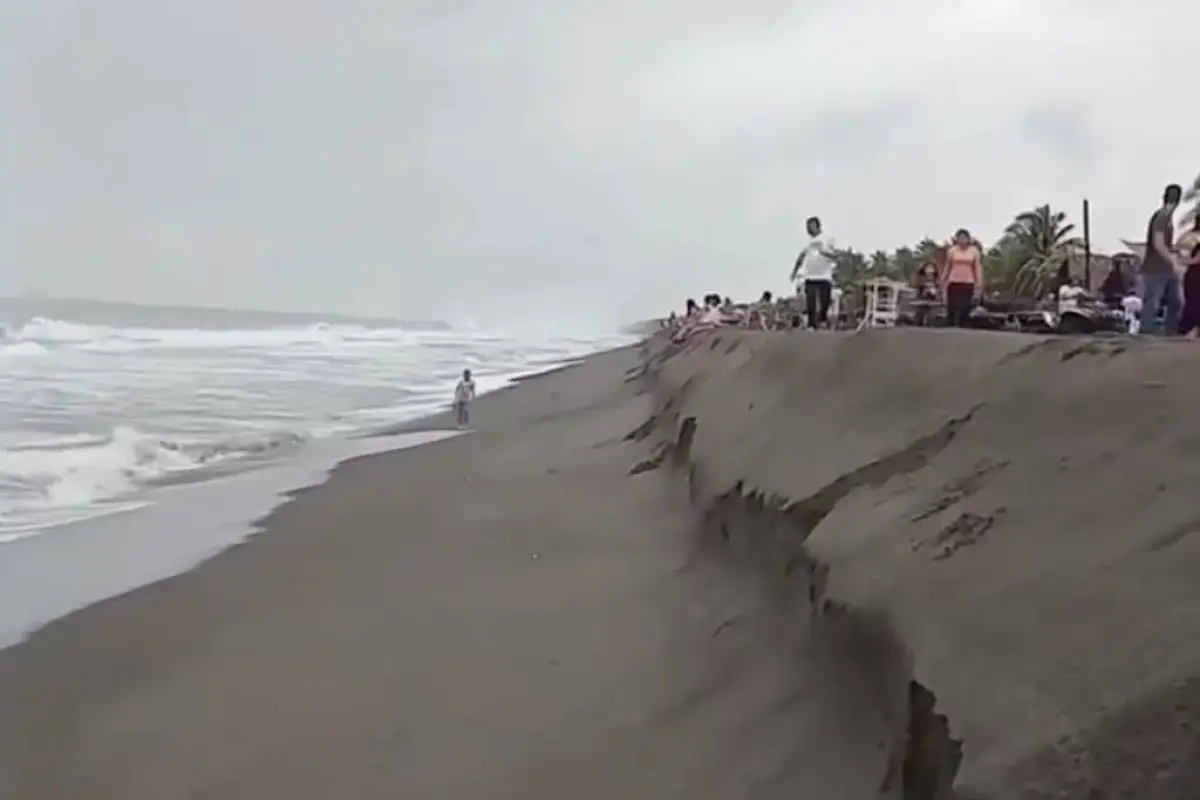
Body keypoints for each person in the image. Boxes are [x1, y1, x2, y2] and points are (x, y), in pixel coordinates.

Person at [1139, 183, 1184, 335]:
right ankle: (1147, 331)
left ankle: (1170, 330)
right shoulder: (1162, 216)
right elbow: (1158, 243)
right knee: (1153, 301)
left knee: (1176, 300)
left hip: (1166, 267)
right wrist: (1173, 261)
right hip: (1155, 267)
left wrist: (1175, 251)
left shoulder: (1168, 218)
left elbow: (1163, 243)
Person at [790, 216, 836, 329]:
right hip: (810, 275)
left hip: (824, 275)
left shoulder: (828, 238)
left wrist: (823, 251)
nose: (808, 230)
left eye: (810, 227)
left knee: (825, 300)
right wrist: (794, 271)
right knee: (810, 301)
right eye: (807, 228)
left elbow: (834, 256)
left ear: (817, 226)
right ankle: (812, 324)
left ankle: (823, 318)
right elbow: (801, 257)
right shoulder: (806, 241)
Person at [941, 229, 982, 327]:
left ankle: (963, 324)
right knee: (952, 305)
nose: (962, 240)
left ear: (968, 239)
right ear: (957, 239)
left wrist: (979, 282)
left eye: (964, 238)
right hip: (954, 281)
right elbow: (948, 266)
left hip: (968, 282)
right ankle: (950, 324)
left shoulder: (974, 251)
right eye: (960, 238)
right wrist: (943, 278)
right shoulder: (952, 251)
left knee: (965, 305)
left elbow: (977, 267)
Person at [1177, 216, 1200, 336]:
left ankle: (1187, 330)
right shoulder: (1194, 238)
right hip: (1195, 277)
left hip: (1192, 276)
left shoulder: (1188, 237)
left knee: (1192, 303)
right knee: (1194, 304)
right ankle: (1188, 330)